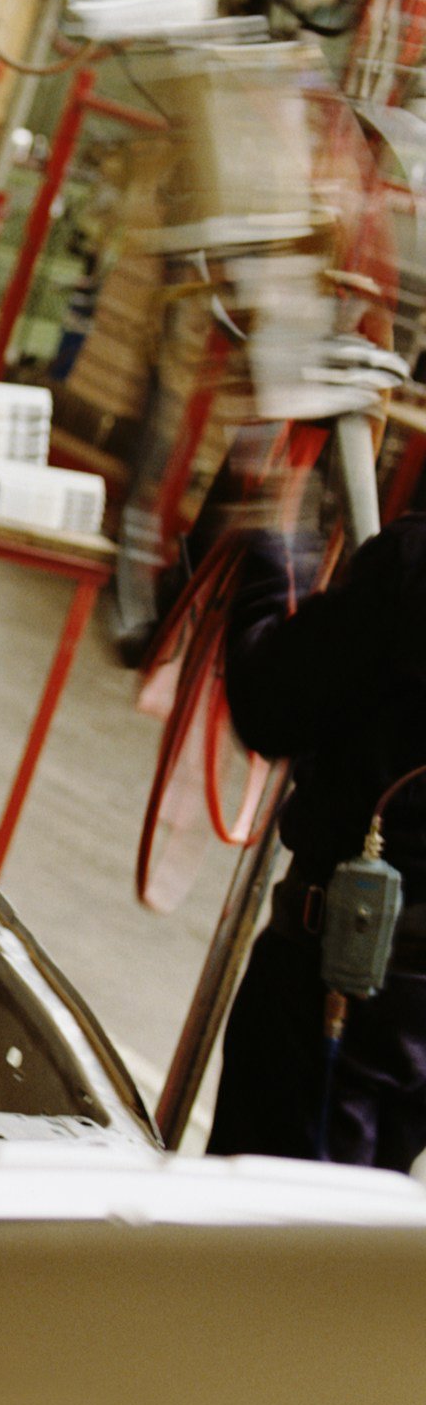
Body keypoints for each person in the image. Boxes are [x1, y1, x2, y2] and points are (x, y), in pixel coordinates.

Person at [207, 427, 426, 1167]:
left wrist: (267, 541)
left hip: (347, 986)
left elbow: (271, 704)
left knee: (272, 1244)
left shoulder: (413, 565)